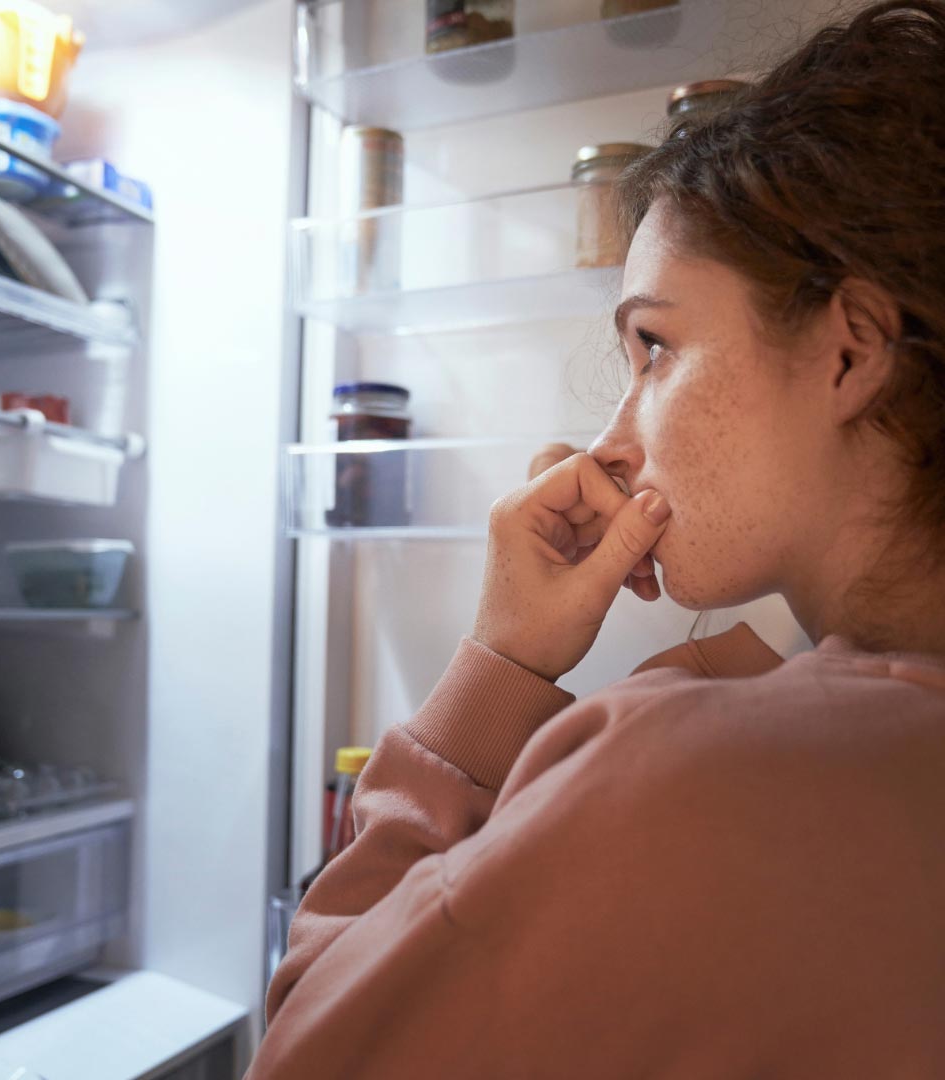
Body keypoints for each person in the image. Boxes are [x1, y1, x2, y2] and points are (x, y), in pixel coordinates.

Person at [248, 2, 945, 1075]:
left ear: (849, 355)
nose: (615, 446)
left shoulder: (689, 772)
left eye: (655, 346)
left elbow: (303, 1052)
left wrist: (500, 670)